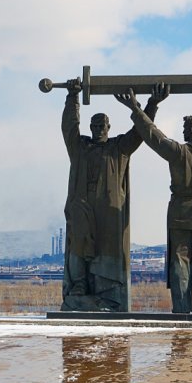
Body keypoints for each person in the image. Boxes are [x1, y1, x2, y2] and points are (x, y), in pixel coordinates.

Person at [115, 84, 192, 313]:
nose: (183, 132)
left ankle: (181, 309)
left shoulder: (177, 152)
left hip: (181, 209)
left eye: (185, 128)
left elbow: (152, 134)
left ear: (190, 130)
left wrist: (136, 108)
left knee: (180, 260)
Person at [60, 78, 159, 311]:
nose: (98, 129)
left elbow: (140, 133)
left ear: (109, 127)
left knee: (108, 250)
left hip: (108, 211)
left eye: (102, 125)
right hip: (82, 206)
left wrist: (151, 105)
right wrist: (72, 97)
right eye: (94, 126)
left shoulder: (119, 148)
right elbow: (69, 127)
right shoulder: (79, 147)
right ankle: (79, 288)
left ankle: (108, 294)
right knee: (79, 247)